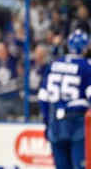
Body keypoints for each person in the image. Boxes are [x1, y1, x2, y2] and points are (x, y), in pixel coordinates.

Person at [38, 29, 91, 169]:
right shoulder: (86, 67)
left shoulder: (54, 64)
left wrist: (46, 122)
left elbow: (43, 97)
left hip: (55, 122)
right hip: (77, 122)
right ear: (86, 48)